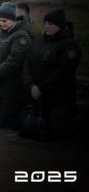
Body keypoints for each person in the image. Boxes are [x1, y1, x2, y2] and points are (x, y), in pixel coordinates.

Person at [22, 9, 85, 139]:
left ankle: (83, 121)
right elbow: (27, 63)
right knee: (26, 125)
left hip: (58, 98)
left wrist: (41, 88)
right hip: (37, 96)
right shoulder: (39, 42)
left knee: (56, 129)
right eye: (45, 23)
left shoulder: (69, 45)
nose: (46, 26)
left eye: (50, 23)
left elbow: (63, 72)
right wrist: (31, 86)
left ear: (60, 25)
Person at [0, 2, 31, 129]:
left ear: (13, 19)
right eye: (0, 20)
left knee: (5, 122)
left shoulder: (21, 36)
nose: (2, 23)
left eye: (5, 21)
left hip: (11, 88)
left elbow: (13, 61)